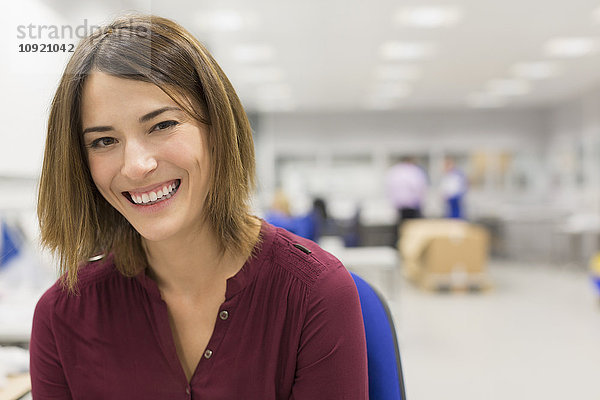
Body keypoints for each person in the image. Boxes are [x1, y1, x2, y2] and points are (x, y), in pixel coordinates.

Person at [31, 15, 368, 399]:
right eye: (104, 141)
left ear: (216, 128)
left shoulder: (313, 293)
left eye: (161, 125)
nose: (136, 166)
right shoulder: (62, 316)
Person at [385, 156, 428, 246]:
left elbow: (389, 188)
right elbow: (419, 188)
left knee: (401, 229)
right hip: (412, 205)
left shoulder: (394, 171)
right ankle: (410, 247)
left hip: (399, 206)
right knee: (412, 231)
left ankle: (400, 246)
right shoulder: (414, 171)